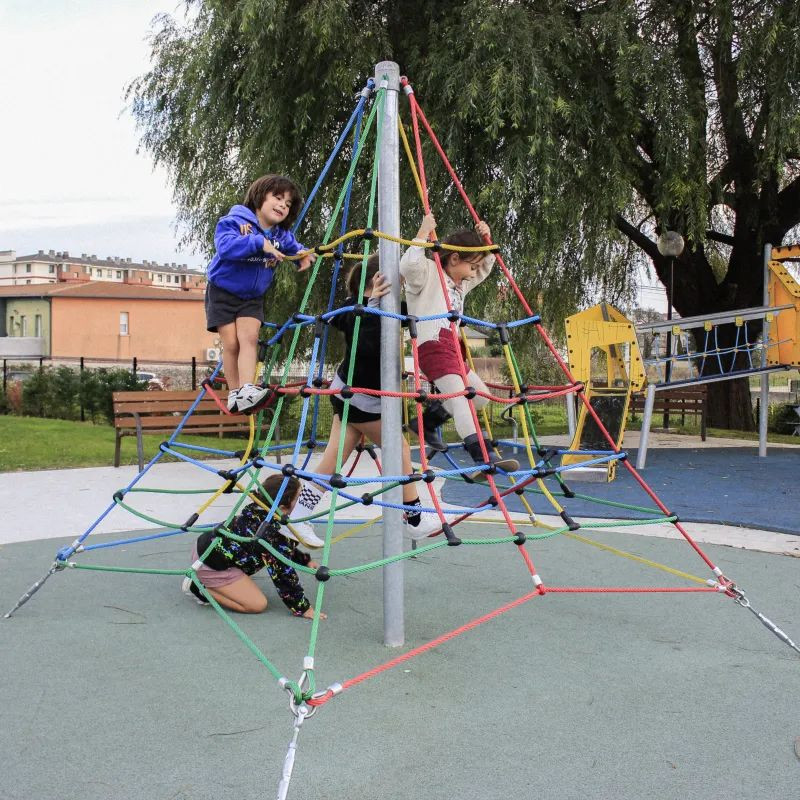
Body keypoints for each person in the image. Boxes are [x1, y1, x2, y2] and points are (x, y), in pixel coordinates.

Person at [292, 255, 443, 540]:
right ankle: (412, 516)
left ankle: (298, 513)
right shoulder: (356, 312)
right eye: (395, 283)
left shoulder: (383, 309)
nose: (400, 288)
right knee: (398, 450)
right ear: (375, 283)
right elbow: (367, 345)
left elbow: (420, 305)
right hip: (361, 396)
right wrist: (373, 305)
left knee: (333, 461)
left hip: (351, 395)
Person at [400, 213, 519, 482]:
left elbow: (487, 266)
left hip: (452, 347)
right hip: (432, 344)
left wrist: (485, 239)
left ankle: (431, 420)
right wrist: (421, 233)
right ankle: (481, 460)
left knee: (481, 397)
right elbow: (408, 267)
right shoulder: (429, 273)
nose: (474, 272)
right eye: (471, 266)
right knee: (463, 399)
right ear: (455, 259)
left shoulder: (460, 284)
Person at [205, 174, 315, 414]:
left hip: (252, 297)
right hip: (223, 291)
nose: (282, 206)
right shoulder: (234, 222)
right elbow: (225, 247)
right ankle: (235, 394)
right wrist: (258, 243)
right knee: (232, 343)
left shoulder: (279, 235)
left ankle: (247, 389)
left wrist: (302, 255)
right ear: (259, 198)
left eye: (287, 204)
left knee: (250, 338)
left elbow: (293, 248)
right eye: (277, 198)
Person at [182, 474, 325, 618]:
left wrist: (304, 560)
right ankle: (200, 588)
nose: (302, 502)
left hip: (207, 546)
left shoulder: (261, 510)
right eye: (298, 498)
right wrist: (302, 608)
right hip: (211, 566)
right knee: (257, 604)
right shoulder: (268, 534)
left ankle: (215, 582)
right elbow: (283, 575)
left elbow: (282, 548)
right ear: (282, 508)